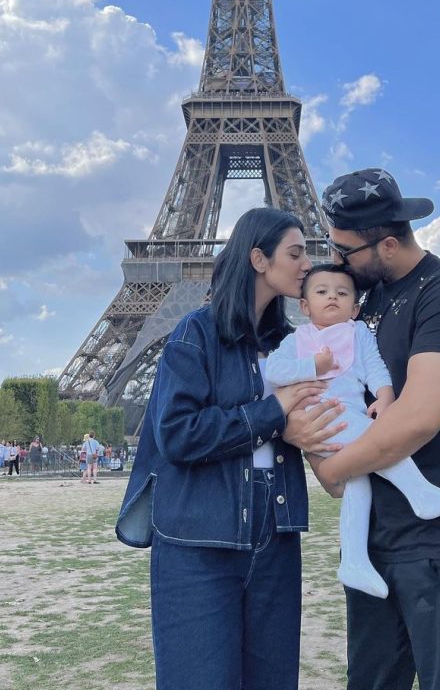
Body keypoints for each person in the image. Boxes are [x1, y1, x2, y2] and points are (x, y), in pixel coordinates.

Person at [116, 207, 346, 690]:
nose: (308, 264)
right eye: (296, 253)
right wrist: (274, 413)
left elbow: (314, 418)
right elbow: (177, 434)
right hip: (199, 539)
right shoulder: (195, 333)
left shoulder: (294, 343)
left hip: (275, 533)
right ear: (259, 258)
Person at [311, 168, 440, 690]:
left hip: (437, 543)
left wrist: (332, 470)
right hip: (371, 543)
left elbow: (418, 418)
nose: (337, 260)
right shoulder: (364, 301)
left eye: (344, 251)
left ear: (385, 244)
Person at [266, 263, 440, 598]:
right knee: (378, 443)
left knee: (360, 484)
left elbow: (375, 365)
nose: (332, 297)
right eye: (321, 291)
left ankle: (354, 560)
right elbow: (274, 370)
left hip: (349, 418)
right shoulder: (297, 340)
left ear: (355, 308)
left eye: (342, 293)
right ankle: (419, 492)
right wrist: (313, 365)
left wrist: (385, 395)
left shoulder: (357, 332)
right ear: (303, 306)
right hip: (321, 417)